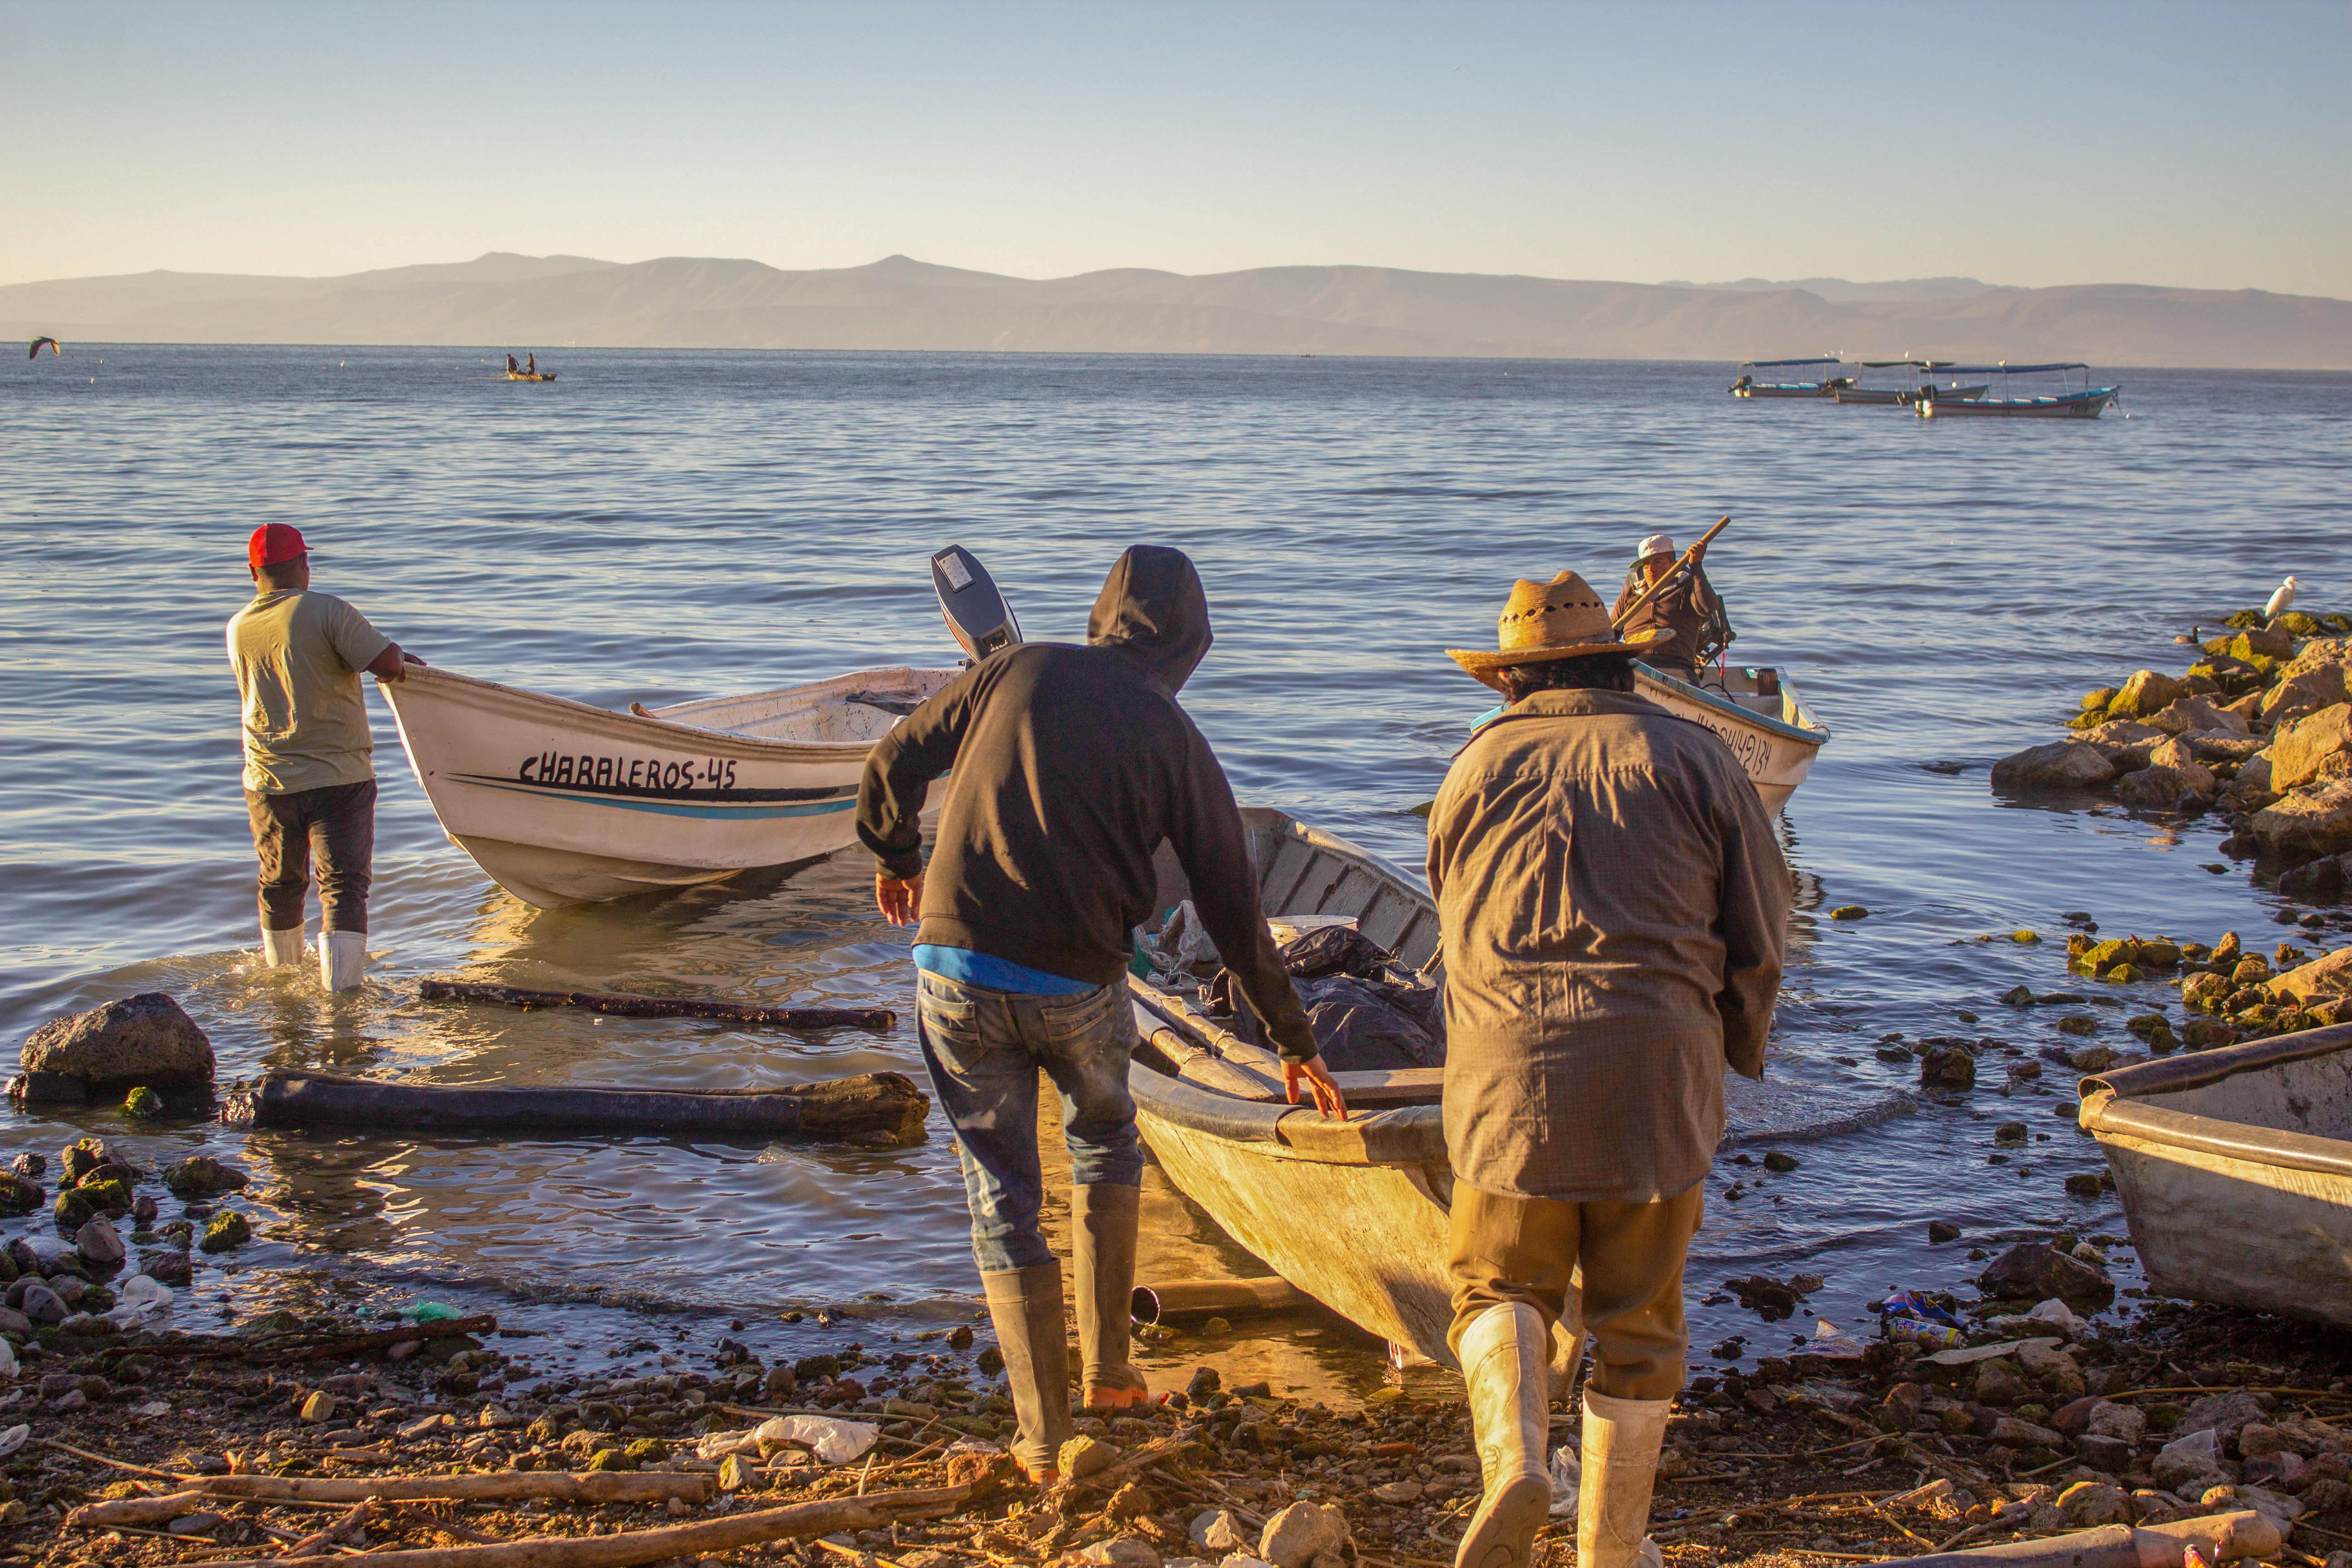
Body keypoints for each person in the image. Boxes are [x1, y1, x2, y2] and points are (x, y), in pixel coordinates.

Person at [856, 544, 1346, 1484]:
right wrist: (1295, 1041)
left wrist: (895, 856)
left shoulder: (1014, 667)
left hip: (955, 967)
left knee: (1003, 1196)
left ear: (1100, 618)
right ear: (1194, 644)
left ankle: (1041, 1441)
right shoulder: (1174, 734)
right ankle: (1112, 1375)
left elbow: (894, 759)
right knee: (1103, 1143)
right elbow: (1238, 914)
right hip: (1079, 984)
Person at [1431, 569, 1788, 1568]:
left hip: (1507, 1073)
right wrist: (1732, 1053)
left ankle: (1515, 1462)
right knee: (1639, 1322)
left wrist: (1474, 1060)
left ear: (1509, 680)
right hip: (1657, 1069)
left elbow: (1458, 936)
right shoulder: (1697, 755)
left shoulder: (1473, 767)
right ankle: (1609, 1552)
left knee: (1496, 1285)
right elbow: (1762, 927)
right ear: (1622, 666)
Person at [226, 524, 424, 991]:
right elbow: (389, 665)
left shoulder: (239, 627)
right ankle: (342, 997)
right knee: (343, 886)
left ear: (253, 572)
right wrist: (404, 656)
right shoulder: (328, 611)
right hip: (338, 778)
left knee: (279, 884)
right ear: (303, 566)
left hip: (267, 779)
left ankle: (282, 984)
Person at [1610, 533, 1732, 679]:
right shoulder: (1630, 594)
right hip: (1636, 663)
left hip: (1675, 664)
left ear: (1672, 563)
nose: (1650, 569)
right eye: (1646, 564)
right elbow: (1610, 633)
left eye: (1657, 562)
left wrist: (1697, 568)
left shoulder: (1687, 587)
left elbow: (1708, 607)